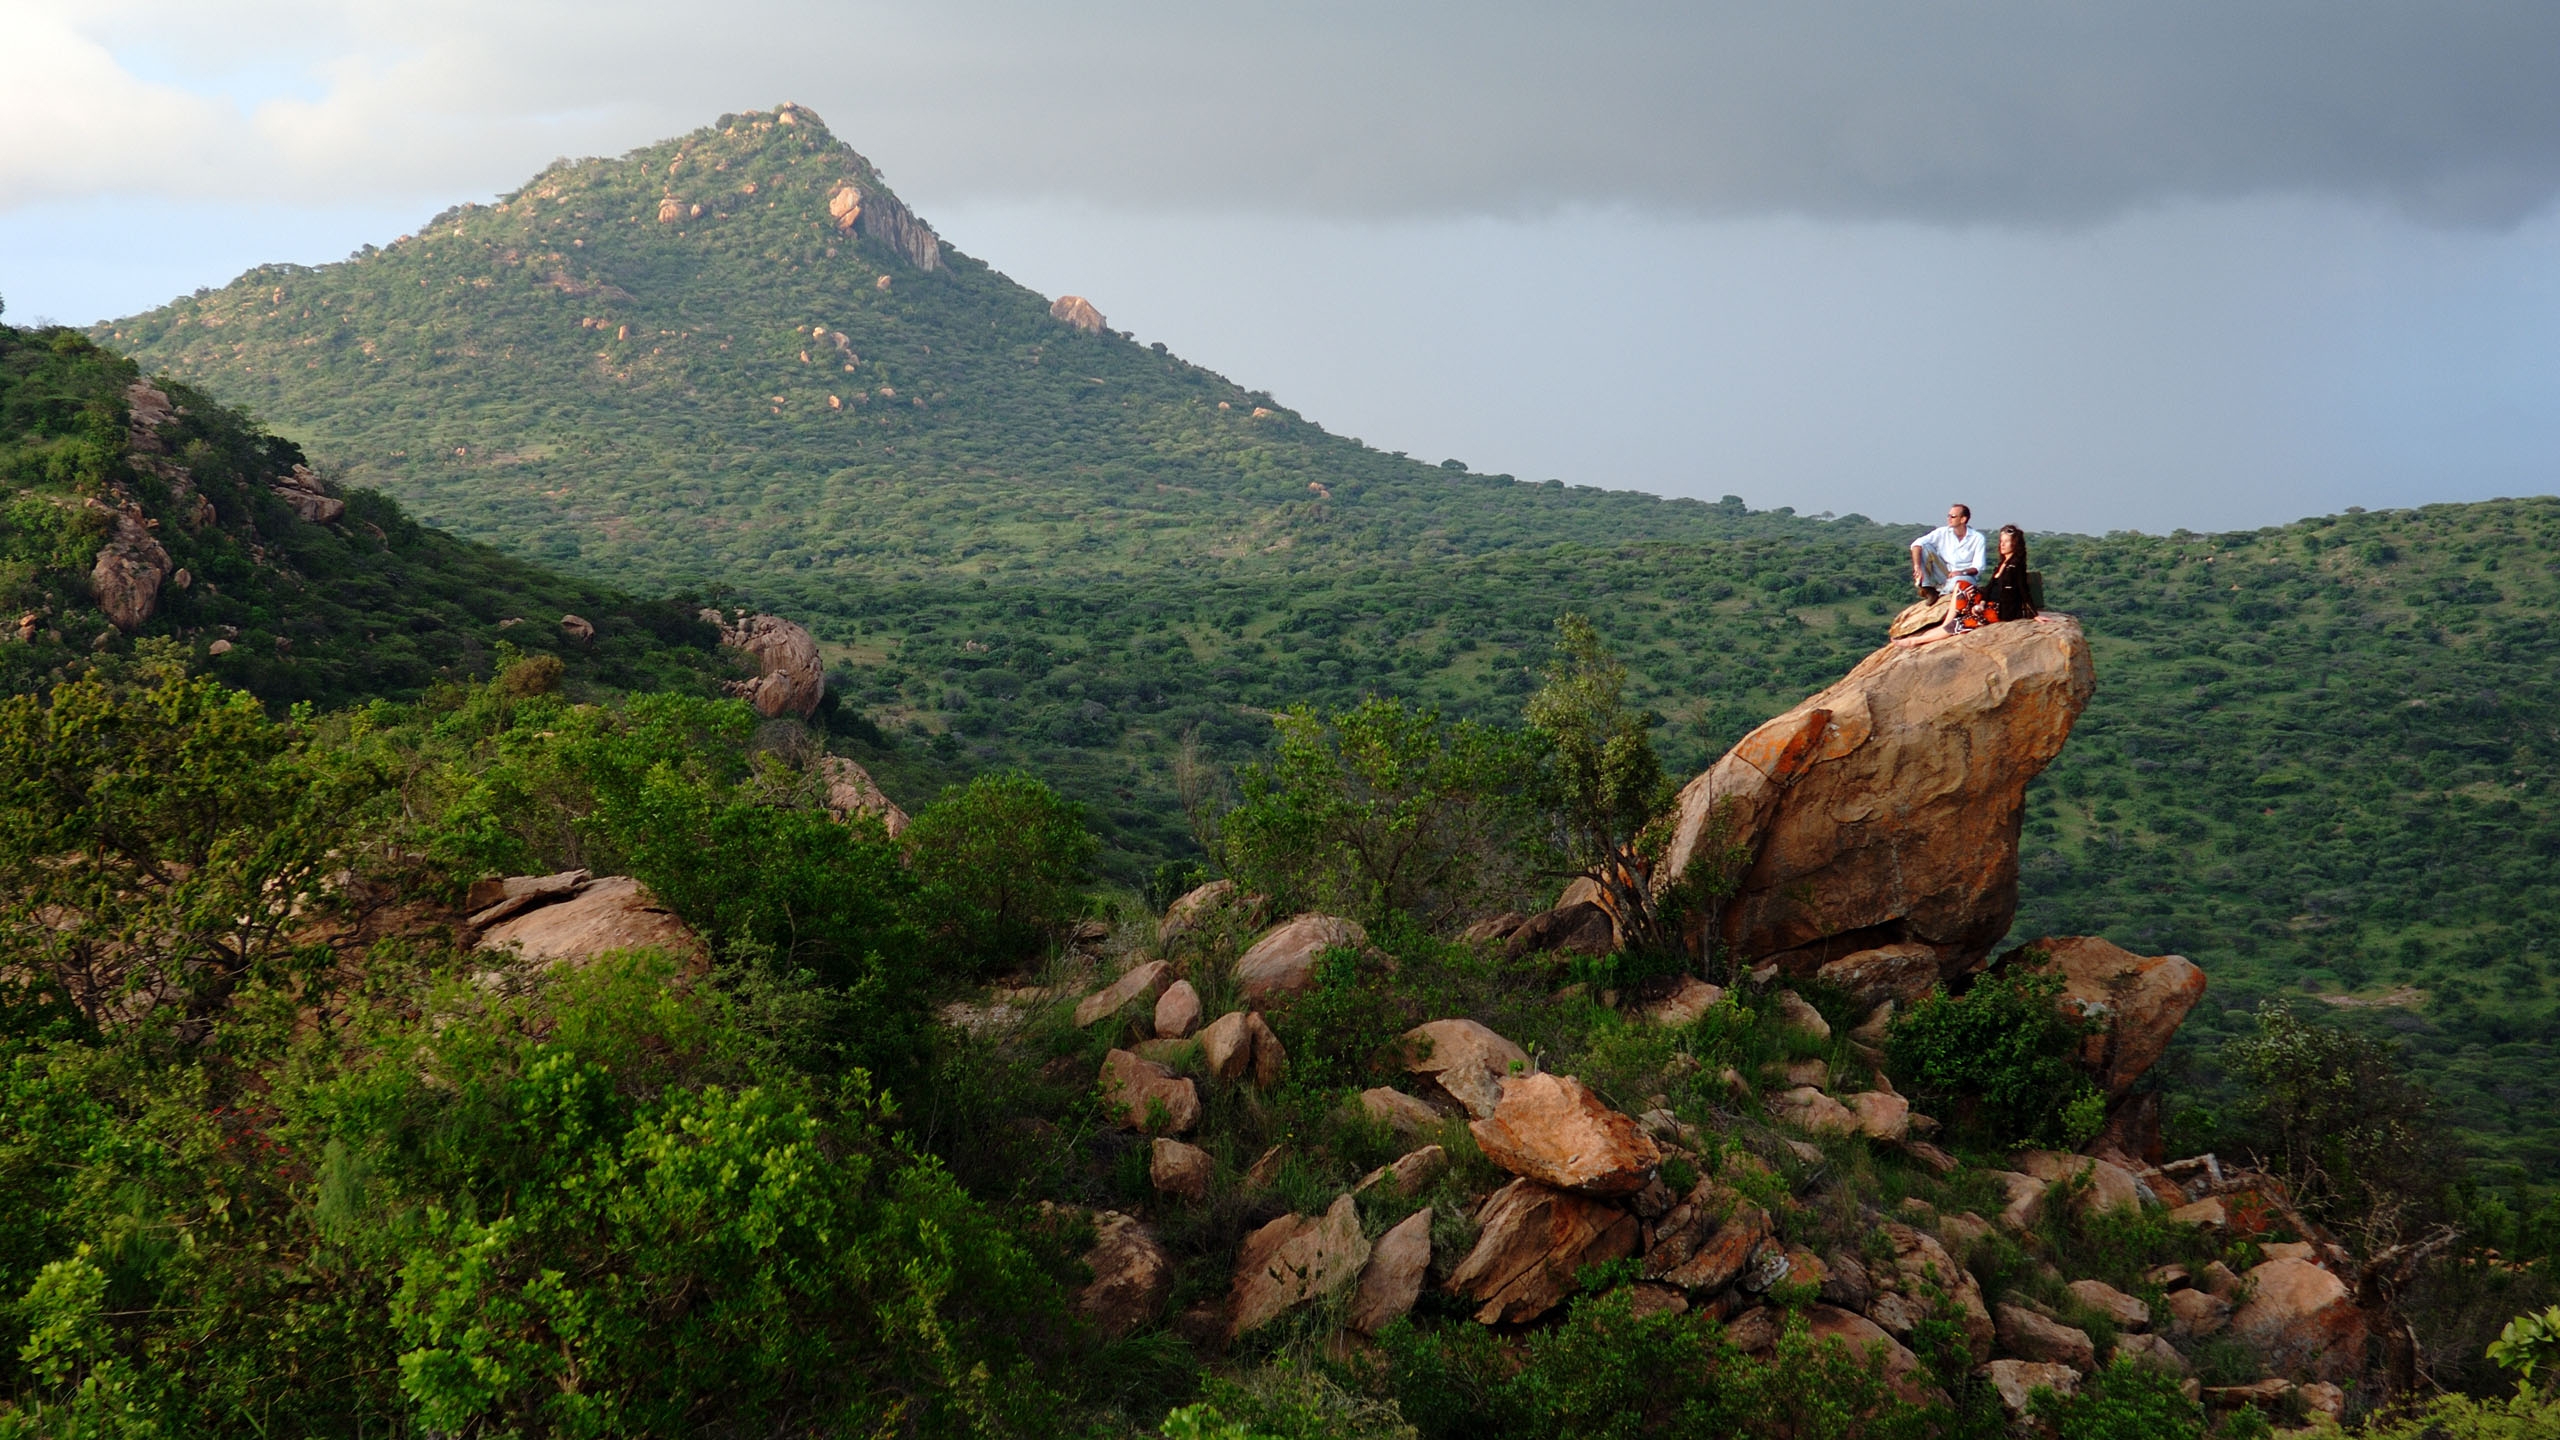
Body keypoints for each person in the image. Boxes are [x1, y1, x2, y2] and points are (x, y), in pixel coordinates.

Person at [1908, 504, 1984, 601]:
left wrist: (1961, 572)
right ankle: (1928, 588)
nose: (1949, 519)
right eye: (1948, 516)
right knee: (1924, 547)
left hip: (1965, 576)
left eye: (1953, 516)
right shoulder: (1942, 532)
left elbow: (1978, 567)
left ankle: (1943, 592)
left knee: (1958, 583)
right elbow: (1916, 544)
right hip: (1946, 574)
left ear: (1963, 519)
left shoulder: (1977, 538)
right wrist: (1917, 566)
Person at [1978, 525, 2037, 623]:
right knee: (1963, 586)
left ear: (2015, 543)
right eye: (2001, 541)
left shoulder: (2017, 565)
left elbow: (2023, 589)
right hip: (1988, 605)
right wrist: (1982, 603)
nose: (2002, 544)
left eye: (2006, 541)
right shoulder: (2001, 564)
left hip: (2000, 609)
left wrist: (2034, 614)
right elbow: (1989, 587)